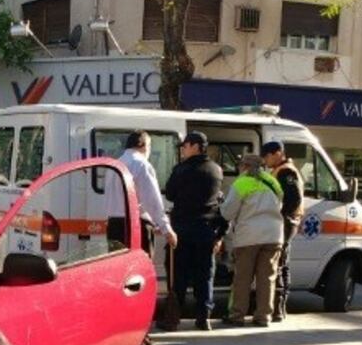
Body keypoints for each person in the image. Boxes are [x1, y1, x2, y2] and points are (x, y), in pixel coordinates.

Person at [165, 131, 225, 331]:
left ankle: (173, 318)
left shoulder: (182, 169)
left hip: (182, 230)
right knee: (205, 276)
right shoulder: (216, 170)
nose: (182, 149)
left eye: (185, 145)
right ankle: (203, 318)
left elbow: (171, 193)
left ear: (195, 146)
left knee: (179, 275)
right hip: (206, 230)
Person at [220, 154, 285, 327]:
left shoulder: (241, 183)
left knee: (243, 277)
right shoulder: (273, 182)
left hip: (249, 237)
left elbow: (227, 213)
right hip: (274, 235)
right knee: (267, 277)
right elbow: (280, 204)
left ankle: (237, 315)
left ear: (245, 166)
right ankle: (263, 317)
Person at [104, 130, 177, 256]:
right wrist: (166, 228)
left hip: (114, 226)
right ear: (143, 145)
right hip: (136, 225)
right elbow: (151, 199)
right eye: (149, 146)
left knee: (119, 270)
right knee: (139, 271)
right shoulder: (141, 165)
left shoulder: (114, 166)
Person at [260, 140, 304, 322]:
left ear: (277, 153)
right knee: (280, 263)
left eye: (267, 156)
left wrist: (279, 215)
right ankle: (278, 307)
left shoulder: (286, 171)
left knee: (279, 264)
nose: (265, 161)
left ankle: (279, 308)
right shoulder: (282, 169)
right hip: (286, 221)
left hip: (285, 222)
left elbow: (293, 199)